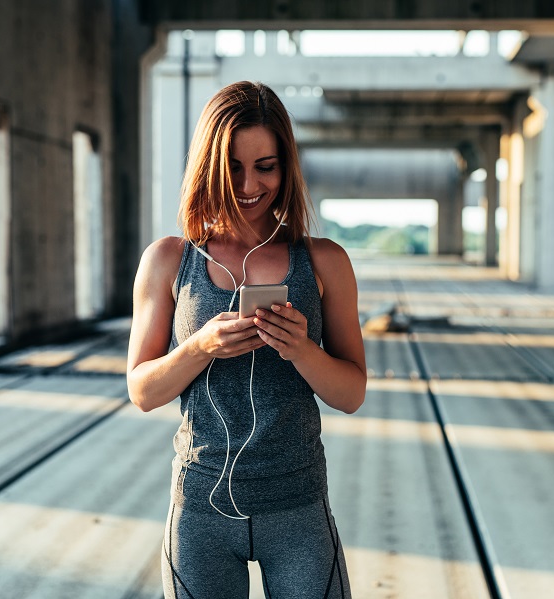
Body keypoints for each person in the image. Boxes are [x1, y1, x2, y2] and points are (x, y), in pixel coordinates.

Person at [126, 80, 366, 599]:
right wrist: (199, 347)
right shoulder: (170, 259)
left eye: (266, 166)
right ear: (207, 163)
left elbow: (351, 394)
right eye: (232, 166)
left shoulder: (325, 262)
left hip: (298, 508)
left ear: (287, 166)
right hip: (200, 513)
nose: (249, 184)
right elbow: (142, 391)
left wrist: (302, 349)